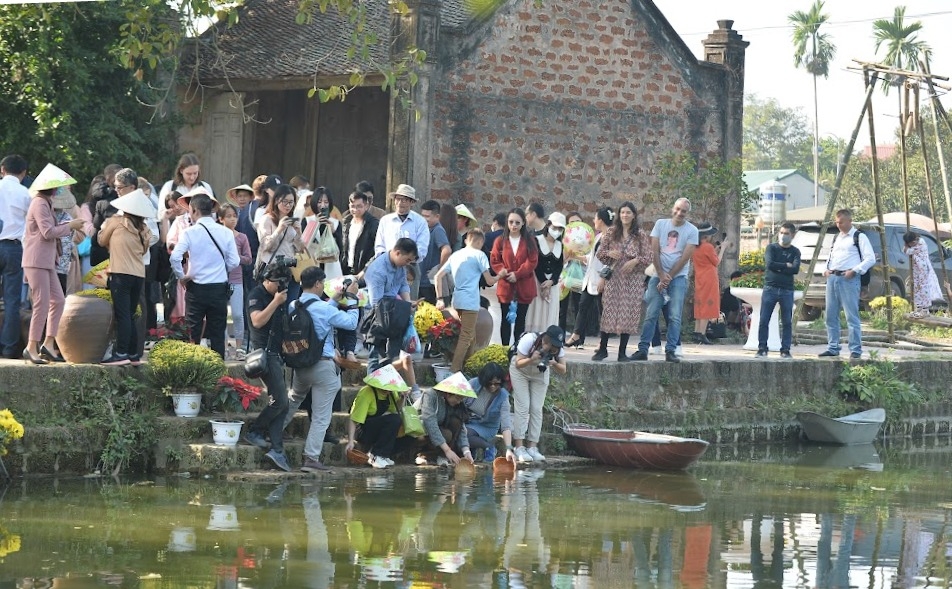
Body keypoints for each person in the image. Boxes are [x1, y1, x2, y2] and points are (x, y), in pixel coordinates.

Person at [283, 266, 360, 472]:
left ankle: (269, 432)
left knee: (294, 399)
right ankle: (310, 458)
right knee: (320, 416)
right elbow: (351, 323)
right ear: (318, 284)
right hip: (323, 366)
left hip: (300, 365)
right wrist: (351, 297)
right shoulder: (325, 309)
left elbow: (318, 311)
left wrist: (334, 299)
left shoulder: (293, 305)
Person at [21, 164, 86, 364]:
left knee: (58, 300)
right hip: (37, 259)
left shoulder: (45, 202)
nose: (60, 189)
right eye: (59, 186)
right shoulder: (39, 203)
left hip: (47, 260)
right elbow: (47, 232)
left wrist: (68, 226)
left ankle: (48, 343)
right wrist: (70, 226)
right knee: (42, 303)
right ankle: (31, 346)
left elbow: (51, 229)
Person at [170, 193, 240, 358]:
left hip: (196, 288)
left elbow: (174, 257)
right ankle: (218, 376)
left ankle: (192, 370)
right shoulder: (226, 232)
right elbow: (235, 261)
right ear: (212, 210)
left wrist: (181, 276)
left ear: (194, 210)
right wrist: (221, 269)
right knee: (217, 334)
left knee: (192, 334)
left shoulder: (189, 233)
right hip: (219, 289)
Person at [632, 198, 699, 364]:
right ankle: (643, 349)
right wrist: (661, 275)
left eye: (683, 211)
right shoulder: (661, 224)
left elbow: (685, 258)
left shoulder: (692, 230)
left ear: (687, 213)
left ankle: (671, 350)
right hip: (658, 273)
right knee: (651, 313)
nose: (679, 213)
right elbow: (654, 251)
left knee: (675, 315)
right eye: (677, 209)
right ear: (673, 208)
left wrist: (668, 278)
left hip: (678, 277)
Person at [243, 262, 293, 472]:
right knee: (280, 401)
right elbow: (257, 321)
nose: (282, 287)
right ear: (267, 280)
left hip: (277, 354)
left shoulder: (280, 296)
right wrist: (275, 302)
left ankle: (277, 449)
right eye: (278, 283)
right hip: (264, 354)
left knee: (280, 402)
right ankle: (255, 430)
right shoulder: (257, 294)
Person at [433, 228, 505, 372]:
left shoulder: (456, 255)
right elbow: (489, 281)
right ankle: (455, 370)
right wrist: (500, 275)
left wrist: (440, 298)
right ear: (481, 242)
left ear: (466, 240)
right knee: (466, 336)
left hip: (457, 300)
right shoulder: (480, 255)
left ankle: (469, 366)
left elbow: (437, 277)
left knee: (470, 335)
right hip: (470, 301)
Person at [97, 189, 153, 366]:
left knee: (123, 315)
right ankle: (133, 354)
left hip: (120, 273)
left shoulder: (116, 222)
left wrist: (104, 230)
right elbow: (144, 250)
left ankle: (121, 353)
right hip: (138, 274)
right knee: (130, 314)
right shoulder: (144, 229)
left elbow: (101, 240)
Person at [592, 201, 652, 361]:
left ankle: (621, 352)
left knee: (628, 312)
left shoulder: (640, 235)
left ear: (634, 215)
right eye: (622, 212)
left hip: (633, 280)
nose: (625, 215)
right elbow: (600, 253)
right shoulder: (612, 232)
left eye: (628, 212)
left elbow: (648, 257)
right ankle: (602, 348)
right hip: (614, 277)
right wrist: (610, 253)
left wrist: (635, 261)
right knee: (609, 310)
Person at [363, 237, 420, 393]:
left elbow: (402, 284)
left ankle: (386, 391)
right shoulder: (377, 270)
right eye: (407, 259)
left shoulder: (400, 267)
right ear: (397, 252)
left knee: (391, 356)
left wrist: (408, 304)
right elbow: (377, 303)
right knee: (376, 356)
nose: (407, 264)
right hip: (377, 317)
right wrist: (402, 307)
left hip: (395, 312)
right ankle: (372, 393)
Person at [820, 209, 875, 359]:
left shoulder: (859, 237)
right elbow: (831, 256)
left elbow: (870, 259)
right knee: (830, 316)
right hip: (833, 278)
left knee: (851, 316)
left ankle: (855, 350)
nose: (838, 225)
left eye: (841, 222)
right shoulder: (836, 238)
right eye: (837, 222)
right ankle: (833, 347)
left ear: (849, 221)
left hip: (849, 279)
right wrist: (826, 269)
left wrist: (855, 270)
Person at [509, 325, 566, 463]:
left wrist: (553, 363)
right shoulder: (529, 339)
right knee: (523, 407)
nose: (554, 349)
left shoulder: (558, 349)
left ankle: (532, 447)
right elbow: (518, 363)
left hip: (540, 373)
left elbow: (563, 369)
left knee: (536, 408)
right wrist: (532, 359)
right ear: (545, 340)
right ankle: (519, 448)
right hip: (521, 371)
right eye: (552, 346)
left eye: (557, 347)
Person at [346, 363, 411, 469]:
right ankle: (376, 455)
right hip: (363, 430)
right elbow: (354, 419)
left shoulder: (391, 392)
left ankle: (384, 455)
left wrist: (403, 398)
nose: (387, 390)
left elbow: (395, 410)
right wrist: (350, 441)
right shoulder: (366, 392)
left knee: (410, 434)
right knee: (394, 420)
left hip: (378, 428)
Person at [565, 207, 612, 348]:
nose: (593, 221)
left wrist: (604, 278)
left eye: (595, 218)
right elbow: (591, 259)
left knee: (602, 310)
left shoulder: (611, 238)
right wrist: (575, 256)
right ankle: (576, 335)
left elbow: (611, 261)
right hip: (590, 279)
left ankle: (604, 341)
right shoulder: (598, 237)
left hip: (602, 279)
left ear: (601, 220)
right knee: (583, 306)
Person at [490, 208, 538, 346]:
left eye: (517, 222)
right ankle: (505, 349)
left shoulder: (530, 241)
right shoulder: (500, 240)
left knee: (520, 320)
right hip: (506, 285)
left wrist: (517, 274)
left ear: (523, 223)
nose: (514, 225)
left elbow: (532, 261)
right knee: (505, 320)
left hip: (524, 284)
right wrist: (503, 271)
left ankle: (518, 349)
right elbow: (495, 259)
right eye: (511, 222)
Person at [0, 155, 32, 359]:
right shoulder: (25, 193)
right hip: (14, 247)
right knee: (12, 300)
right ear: (23, 173)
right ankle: (9, 347)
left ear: (2, 169)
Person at [374, 183, 429, 299]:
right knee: (386, 301)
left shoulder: (420, 222)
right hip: (388, 265)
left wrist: (408, 260)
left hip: (410, 267)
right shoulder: (385, 220)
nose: (400, 203)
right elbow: (379, 245)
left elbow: (422, 248)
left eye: (404, 200)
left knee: (409, 302)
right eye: (398, 199)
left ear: (411, 202)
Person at [758, 222, 801, 358]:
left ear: (792, 235)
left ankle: (785, 350)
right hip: (770, 288)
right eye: (781, 233)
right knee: (764, 319)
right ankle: (762, 348)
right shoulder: (771, 248)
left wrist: (781, 266)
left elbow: (795, 269)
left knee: (787, 321)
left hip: (787, 290)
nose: (783, 236)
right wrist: (785, 265)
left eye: (786, 233)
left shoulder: (795, 252)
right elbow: (770, 264)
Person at [418, 371, 477, 466]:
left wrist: (466, 451)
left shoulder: (457, 404)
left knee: (455, 423)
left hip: (440, 431)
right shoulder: (430, 395)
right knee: (446, 435)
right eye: (458, 398)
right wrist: (447, 450)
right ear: (448, 394)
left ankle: (441, 456)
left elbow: (460, 428)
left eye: (461, 399)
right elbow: (430, 422)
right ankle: (421, 455)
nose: (459, 402)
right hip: (422, 430)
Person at [217, 202, 253, 359]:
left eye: (234, 216)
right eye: (228, 216)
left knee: (238, 315)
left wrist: (236, 258)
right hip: (220, 279)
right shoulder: (217, 236)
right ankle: (223, 346)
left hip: (237, 279)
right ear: (220, 219)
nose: (233, 219)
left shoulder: (242, 237)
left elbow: (249, 259)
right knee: (221, 314)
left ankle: (239, 348)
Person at [256, 184, 304, 300]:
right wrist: (279, 229)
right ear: (276, 200)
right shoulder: (266, 219)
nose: (288, 206)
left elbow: (300, 249)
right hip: (273, 272)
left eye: (291, 202)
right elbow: (266, 246)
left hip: (291, 270)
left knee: (290, 307)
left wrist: (298, 233)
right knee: (273, 307)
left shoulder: (293, 221)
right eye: (285, 202)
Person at [464, 362, 516, 463]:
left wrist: (509, 448)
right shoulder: (473, 384)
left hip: (487, 427)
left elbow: (506, 426)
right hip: (468, 421)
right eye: (489, 383)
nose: (493, 386)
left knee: (464, 433)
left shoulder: (503, 397)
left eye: (496, 384)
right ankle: (473, 450)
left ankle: (489, 446)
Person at [525, 212, 565, 334]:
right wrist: (544, 282)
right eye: (555, 227)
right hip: (537, 282)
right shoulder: (537, 240)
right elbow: (535, 264)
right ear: (548, 225)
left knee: (550, 312)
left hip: (552, 285)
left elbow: (559, 266)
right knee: (537, 311)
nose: (557, 231)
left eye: (560, 229)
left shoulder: (560, 245)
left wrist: (552, 281)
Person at [692, 222, 729, 345]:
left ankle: (697, 332)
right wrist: (722, 248)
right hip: (709, 279)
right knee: (707, 305)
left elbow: (706, 257)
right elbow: (716, 261)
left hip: (700, 278)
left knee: (700, 304)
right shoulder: (707, 247)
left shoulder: (695, 247)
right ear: (706, 235)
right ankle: (702, 334)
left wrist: (715, 250)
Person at [301, 187, 343, 280]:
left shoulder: (335, 223)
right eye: (319, 202)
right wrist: (315, 225)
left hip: (331, 268)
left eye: (326, 202)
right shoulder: (307, 221)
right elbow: (304, 245)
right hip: (312, 267)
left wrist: (334, 232)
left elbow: (340, 249)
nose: (323, 205)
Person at [157, 153, 214, 219]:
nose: (192, 177)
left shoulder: (205, 187)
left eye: (195, 173)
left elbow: (213, 213)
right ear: (181, 171)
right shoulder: (170, 186)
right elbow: (161, 214)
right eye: (188, 174)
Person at [903, 231, 944, 317]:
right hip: (917, 269)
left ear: (913, 241)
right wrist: (906, 247)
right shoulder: (915, 244)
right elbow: (905, 250)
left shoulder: (921, 243)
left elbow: (907, 251)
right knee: (916, 288)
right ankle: (919, 308)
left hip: (923, 269)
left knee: (923, 288)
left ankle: (925, 310)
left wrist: (907, 247)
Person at [418, 199, 452, 305]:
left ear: (437, 216)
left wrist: (439, 270)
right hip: (422, 280)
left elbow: (446, 250)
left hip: (428, 282)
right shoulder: (425, 229)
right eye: (422, 215)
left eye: (427, 216)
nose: (424, 219)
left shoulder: (437, 230)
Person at [340, 190, 379, 277]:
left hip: (365, 271)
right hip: (346, 269)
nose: (355, 210)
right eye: (352, 206)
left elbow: (378, 251)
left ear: (366, 206)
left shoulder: (373, 224)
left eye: (359, 206)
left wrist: (366, 269)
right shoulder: (346, 222)